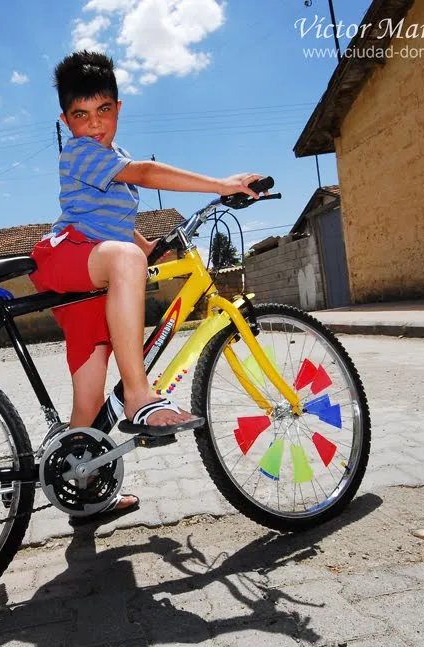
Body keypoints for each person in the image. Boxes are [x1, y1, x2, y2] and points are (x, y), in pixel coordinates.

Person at [29, 50, 265, 521]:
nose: (94, 125)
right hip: (67, 255)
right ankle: (139, 394)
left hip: (91, 282)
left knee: (88, 409)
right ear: (65, 119)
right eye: (81, 115)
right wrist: (221, 184)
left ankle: (84, 490)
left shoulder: (111, 159)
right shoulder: (79, 152)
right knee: (126, 259)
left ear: (118, 107)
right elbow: (147, 175)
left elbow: (115, 223)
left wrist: (153, 248)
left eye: (103, 111)